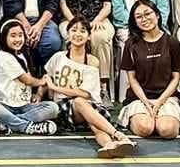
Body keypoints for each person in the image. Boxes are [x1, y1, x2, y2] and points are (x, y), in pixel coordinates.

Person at [45, 17, 136, 158]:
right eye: (74, 30)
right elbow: (46, 77)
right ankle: (119, 136)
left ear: (88, 36)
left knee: (96, 126)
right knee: (79, 102)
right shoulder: (58, 57)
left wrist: (55, 87)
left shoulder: (92, 61)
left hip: (89, 106)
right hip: (66, 109)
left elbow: (85, 94)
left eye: (83, 31)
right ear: (68, 34)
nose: (78, 34)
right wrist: (40, 93)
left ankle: (109, 145)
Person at [118, 0, 180, 140]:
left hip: (166, 97)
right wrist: (147, 103)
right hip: (139, 98)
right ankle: (142, 118)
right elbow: (132, 79)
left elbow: (176, 77)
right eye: (139, 17)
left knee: (167, 130)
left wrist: (159, 102)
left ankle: (162, 119)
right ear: (135, 21)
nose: (144, 19)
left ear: (157, 15)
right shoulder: (130, 44)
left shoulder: (172, 42)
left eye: (147, 14)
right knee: (145, 128)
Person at [0, 20, 60, 135]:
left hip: (25, 105)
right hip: (5, 105)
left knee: (53, 107)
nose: (18, 39)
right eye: (13, 36)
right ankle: (26, 127)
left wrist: (37, 94)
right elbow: (26, 80)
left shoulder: (23, 54)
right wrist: (43, 81)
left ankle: (7, 124)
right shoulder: (4, 56)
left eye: (20, 35)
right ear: (4, 38)